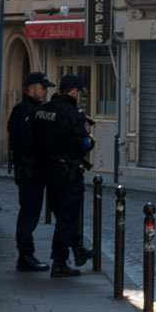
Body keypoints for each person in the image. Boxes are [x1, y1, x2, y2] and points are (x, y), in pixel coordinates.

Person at [43, 73, 94, 274]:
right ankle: (60, 261)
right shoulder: (73, 116)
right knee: (68, 217)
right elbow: (84, 144)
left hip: (48, 171)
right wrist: (90, 139)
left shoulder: (44, 110)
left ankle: (78, 250)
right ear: (73, 92)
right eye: (78, 92)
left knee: (61, 215)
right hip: (67, 173)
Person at [6, 70, 53, 272]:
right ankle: (25, 255)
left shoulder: (33, 110)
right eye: (43, 88)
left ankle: (26, 254)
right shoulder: (24, 112)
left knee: (31, 213)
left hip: (33, 168)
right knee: (29, 213)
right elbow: (27, 141)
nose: (45, 92)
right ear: (31, 89)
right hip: (29, 169)